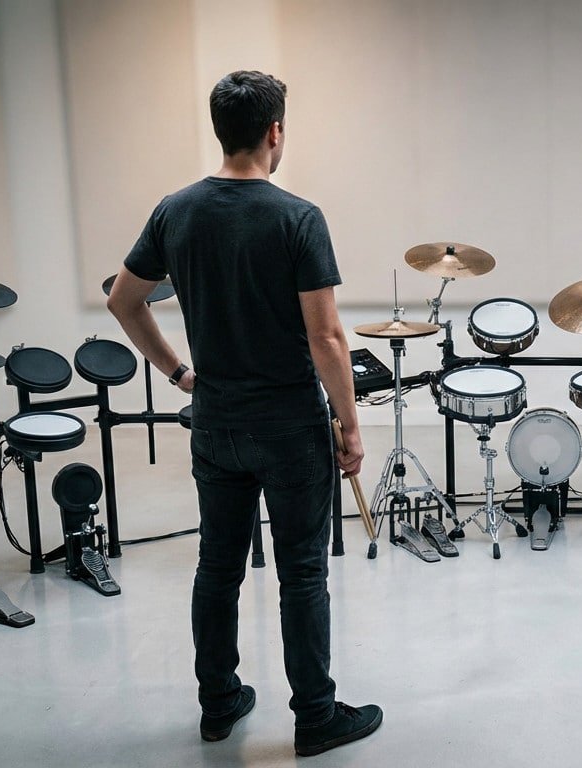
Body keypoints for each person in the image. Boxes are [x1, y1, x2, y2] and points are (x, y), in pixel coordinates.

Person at [107, 70, 382, 757]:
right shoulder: (298, 217)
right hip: (290, 428)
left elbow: (123, 301)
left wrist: (179, 373)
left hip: (216, 424)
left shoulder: (175, 211)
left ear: (221, 130)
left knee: (217, 566)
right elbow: (326, 338)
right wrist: (350, 425)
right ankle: (315, 716)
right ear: (275, 132)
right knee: (302, 573)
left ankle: (219, 703)